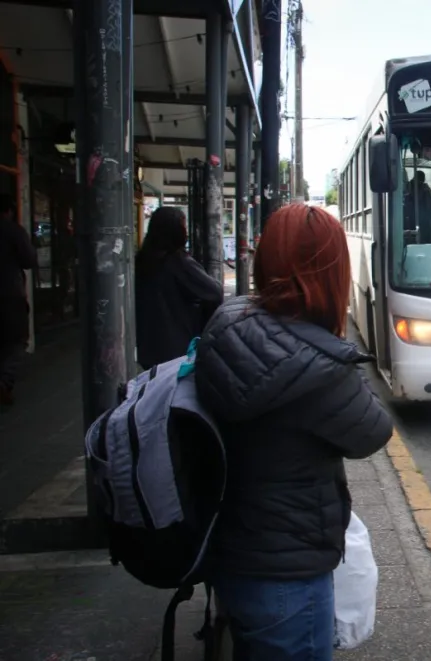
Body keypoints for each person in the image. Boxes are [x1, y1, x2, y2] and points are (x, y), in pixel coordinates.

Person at [193, 203, 394, 659]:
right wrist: (334, 343)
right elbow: (374, 431)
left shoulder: (230, 323)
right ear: (330, 274)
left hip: (234, 554)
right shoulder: (319, 367)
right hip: (288, 575)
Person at [135, 206, 223, 370]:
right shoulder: (178, 261)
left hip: (147, 348)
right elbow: (215, 292)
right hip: (175, 347)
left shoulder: (142, 260)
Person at [0, 193, 37, 407]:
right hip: (9, 294)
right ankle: (4, 381)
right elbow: (29, 259)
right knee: (16, 340)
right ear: (9, 211)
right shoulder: (13, 231)